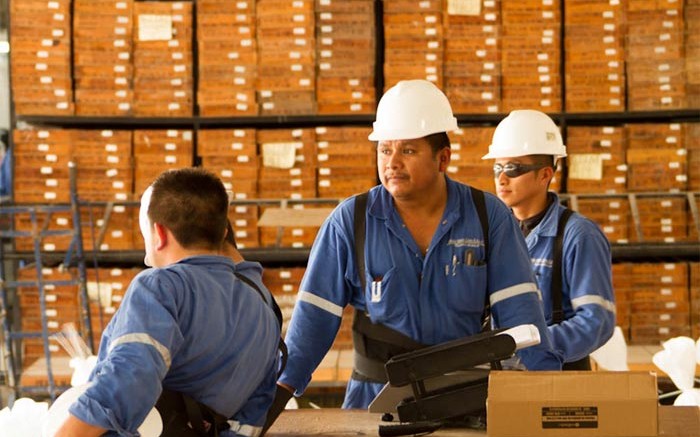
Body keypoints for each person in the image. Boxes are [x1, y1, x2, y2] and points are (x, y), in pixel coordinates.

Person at [266, 80, 562, 424]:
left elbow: (522, 316)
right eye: (384, 149)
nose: (392, 162)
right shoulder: (350, 221)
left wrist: (547, 392)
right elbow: (314, 318)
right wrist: (278, 392)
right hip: (374, 403)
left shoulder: (487, 217)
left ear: (443, 158)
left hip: (461, 398)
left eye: (407, 150)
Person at [55, 167, 281, 436]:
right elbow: (255, 414)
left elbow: (129, 379)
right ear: (223, 233)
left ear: (159, 234)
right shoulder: (263, 305)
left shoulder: (160, 286)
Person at [482, 109, 616, 370]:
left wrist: (533, 347)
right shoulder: (493, 233)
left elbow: (596, 320)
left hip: (558, 374)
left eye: (513, 168)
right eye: (498, 167)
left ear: (545, 174)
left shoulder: (578, 236)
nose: (501, 178)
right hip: (501, 372)